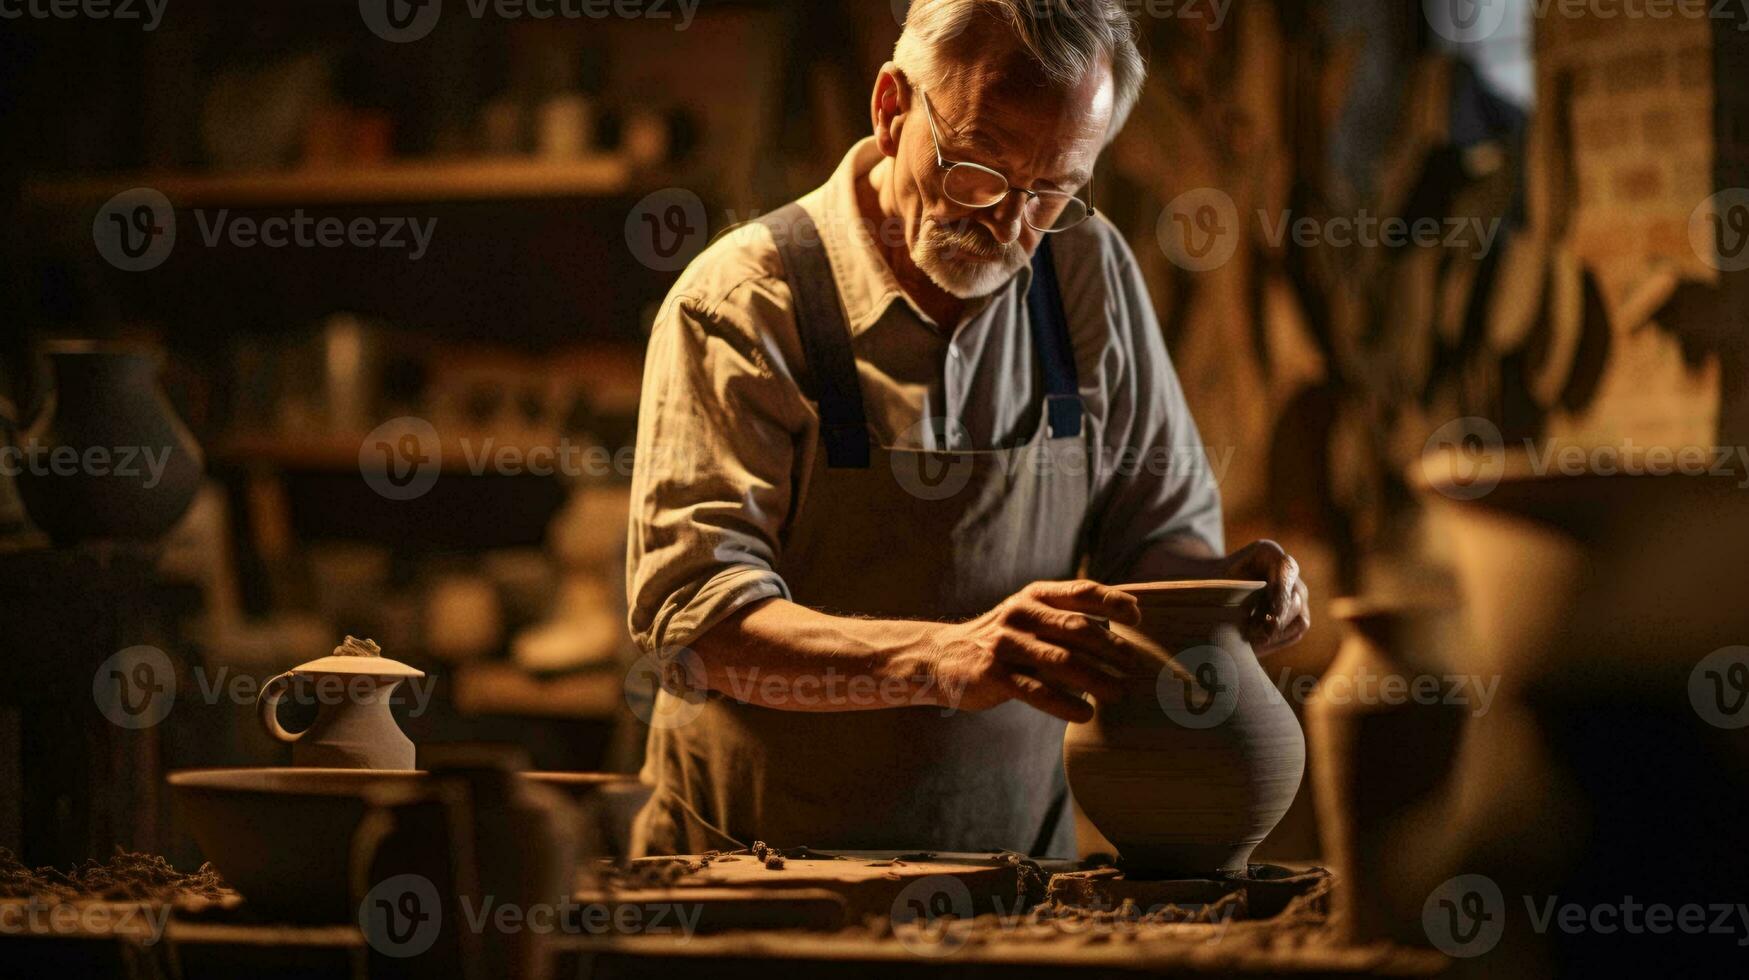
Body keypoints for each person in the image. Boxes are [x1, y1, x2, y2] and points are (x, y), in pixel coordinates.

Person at [624, 0, 1309, 858]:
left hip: (1016, 877)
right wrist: (940, 659)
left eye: (1053, 188)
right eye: (977, 169)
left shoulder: (1082, 274)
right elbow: (695, 623)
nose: (1008, 222)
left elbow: (1152, 545)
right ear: (890, 108)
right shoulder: (746, 303)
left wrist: (1216, 592)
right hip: (758, 877)